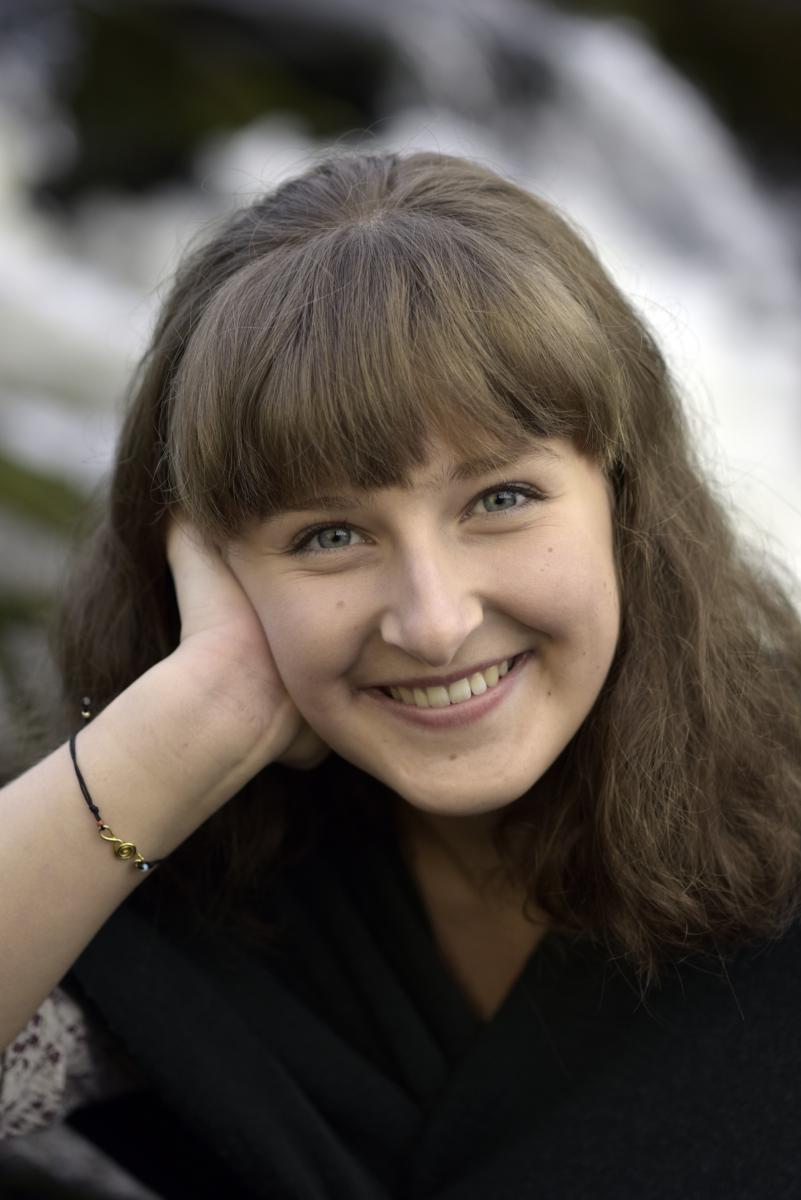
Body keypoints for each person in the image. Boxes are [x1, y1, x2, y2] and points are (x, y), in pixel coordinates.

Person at [2, 150, 801, 1200]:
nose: (433, 622)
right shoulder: (186, 899)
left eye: (500, 500)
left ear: (624, 497)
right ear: (209, 569)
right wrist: (199, 714)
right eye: (328, 535)